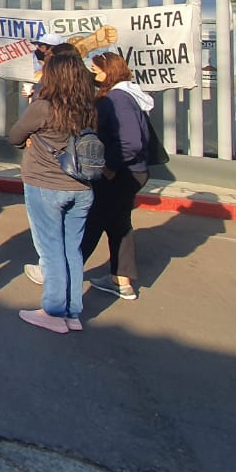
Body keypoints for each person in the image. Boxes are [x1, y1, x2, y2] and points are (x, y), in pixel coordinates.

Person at [7, 46, 96, 334]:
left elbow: (15, 135)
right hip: (81, 186)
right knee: (73, 248)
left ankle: (54, 311)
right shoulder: (90, 108)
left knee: (51, 250)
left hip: (45, 183)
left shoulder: (44, 107)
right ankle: (72, 312)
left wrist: (30, 139)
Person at [83, 51, 153, 302]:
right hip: (132, 172)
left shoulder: (119, 99)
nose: (92, 74)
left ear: (108, 71)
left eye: (96, 70)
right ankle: (121, 280)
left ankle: (63, 272)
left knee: (92, 221)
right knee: (119, 224)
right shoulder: (125, 94)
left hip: (121, 173)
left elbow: (131, 142)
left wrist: (109, 166)